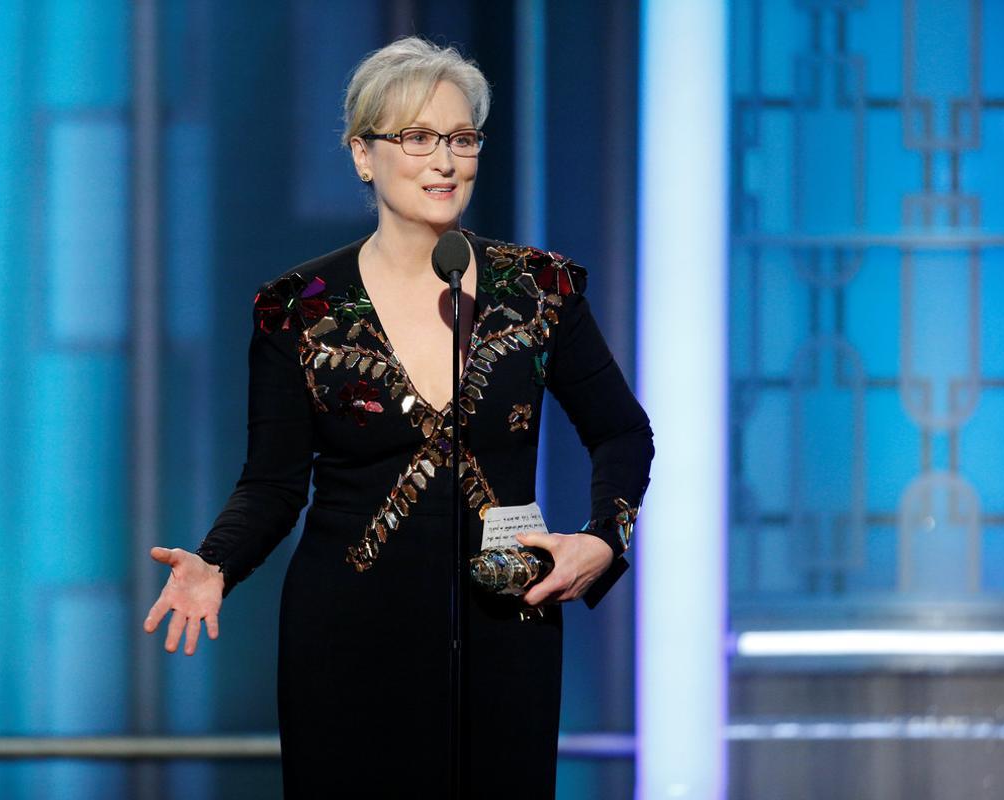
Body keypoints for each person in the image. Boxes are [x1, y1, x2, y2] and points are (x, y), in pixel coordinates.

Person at [142, 36, 653, 799]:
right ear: (362, 154)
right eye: (417, 138)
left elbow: (622, 432)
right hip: (348, 637)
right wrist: (218, 561)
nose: (443, 161)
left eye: (461, 138)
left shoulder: (539, 290)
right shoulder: (299, 311)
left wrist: (602, 541)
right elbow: (274, 484)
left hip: (506, 627)